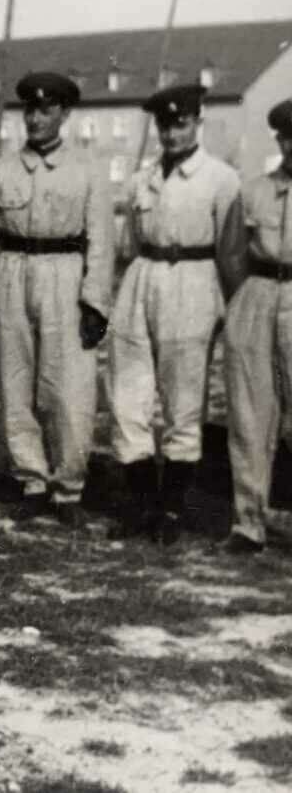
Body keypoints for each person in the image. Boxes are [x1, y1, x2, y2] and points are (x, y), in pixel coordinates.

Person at [0, 72, 114, 527]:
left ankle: (69, 488)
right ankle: (32, 479)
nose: (36, 118)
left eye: (46, 110)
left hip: (64, 276)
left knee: (69, 390)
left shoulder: (87, 170)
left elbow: (103, 242)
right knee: (15, 384)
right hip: (11, 273)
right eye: (29, 109)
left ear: (64, 114)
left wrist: (95, 302)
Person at [107, 84, 240, 545]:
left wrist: (225, 307)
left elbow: (232, 249)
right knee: (127, 395)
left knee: (184, 401)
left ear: (197, 123)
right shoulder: (141, 178)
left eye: (180, 123)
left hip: (194, 279)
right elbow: (126, 243)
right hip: (142, 277)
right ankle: (142, 503)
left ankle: (172, 509)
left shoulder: (221, 179)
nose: (171, 133)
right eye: (164, 124)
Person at [217, 99, 292, 555]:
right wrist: (245, 300)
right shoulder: (253, 191)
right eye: (287, 137)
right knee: (249, 413)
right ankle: (249, 522)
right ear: (279, 140)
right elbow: (231, 253)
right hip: (258, 292)